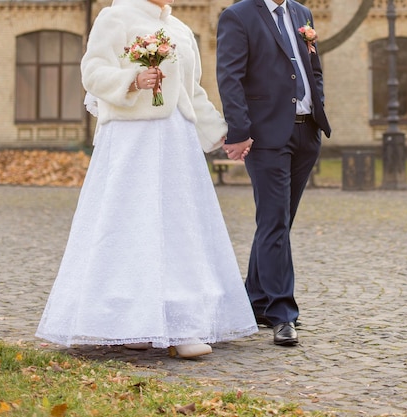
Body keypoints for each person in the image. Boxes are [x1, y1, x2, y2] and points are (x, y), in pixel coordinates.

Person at [35, 0, 258, 358]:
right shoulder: (114, 17)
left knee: (179, 225)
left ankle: (182, 325)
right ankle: (129, 321)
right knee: (127, 226)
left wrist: (223, 135)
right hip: (131, 140)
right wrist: (132, 80)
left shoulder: (183, 30)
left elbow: (192, 92)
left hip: (176, 142)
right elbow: (91, 71)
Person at [216, 0, 331, 346]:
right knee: (275, 221)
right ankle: (283, 313)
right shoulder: (237, 16)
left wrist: (319, 106)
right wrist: (239, 130)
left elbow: (313, 68)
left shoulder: (301, 13)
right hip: (266, 137)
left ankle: (257, 301)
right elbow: (229, 77)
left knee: (278, 220)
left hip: (306, 132)